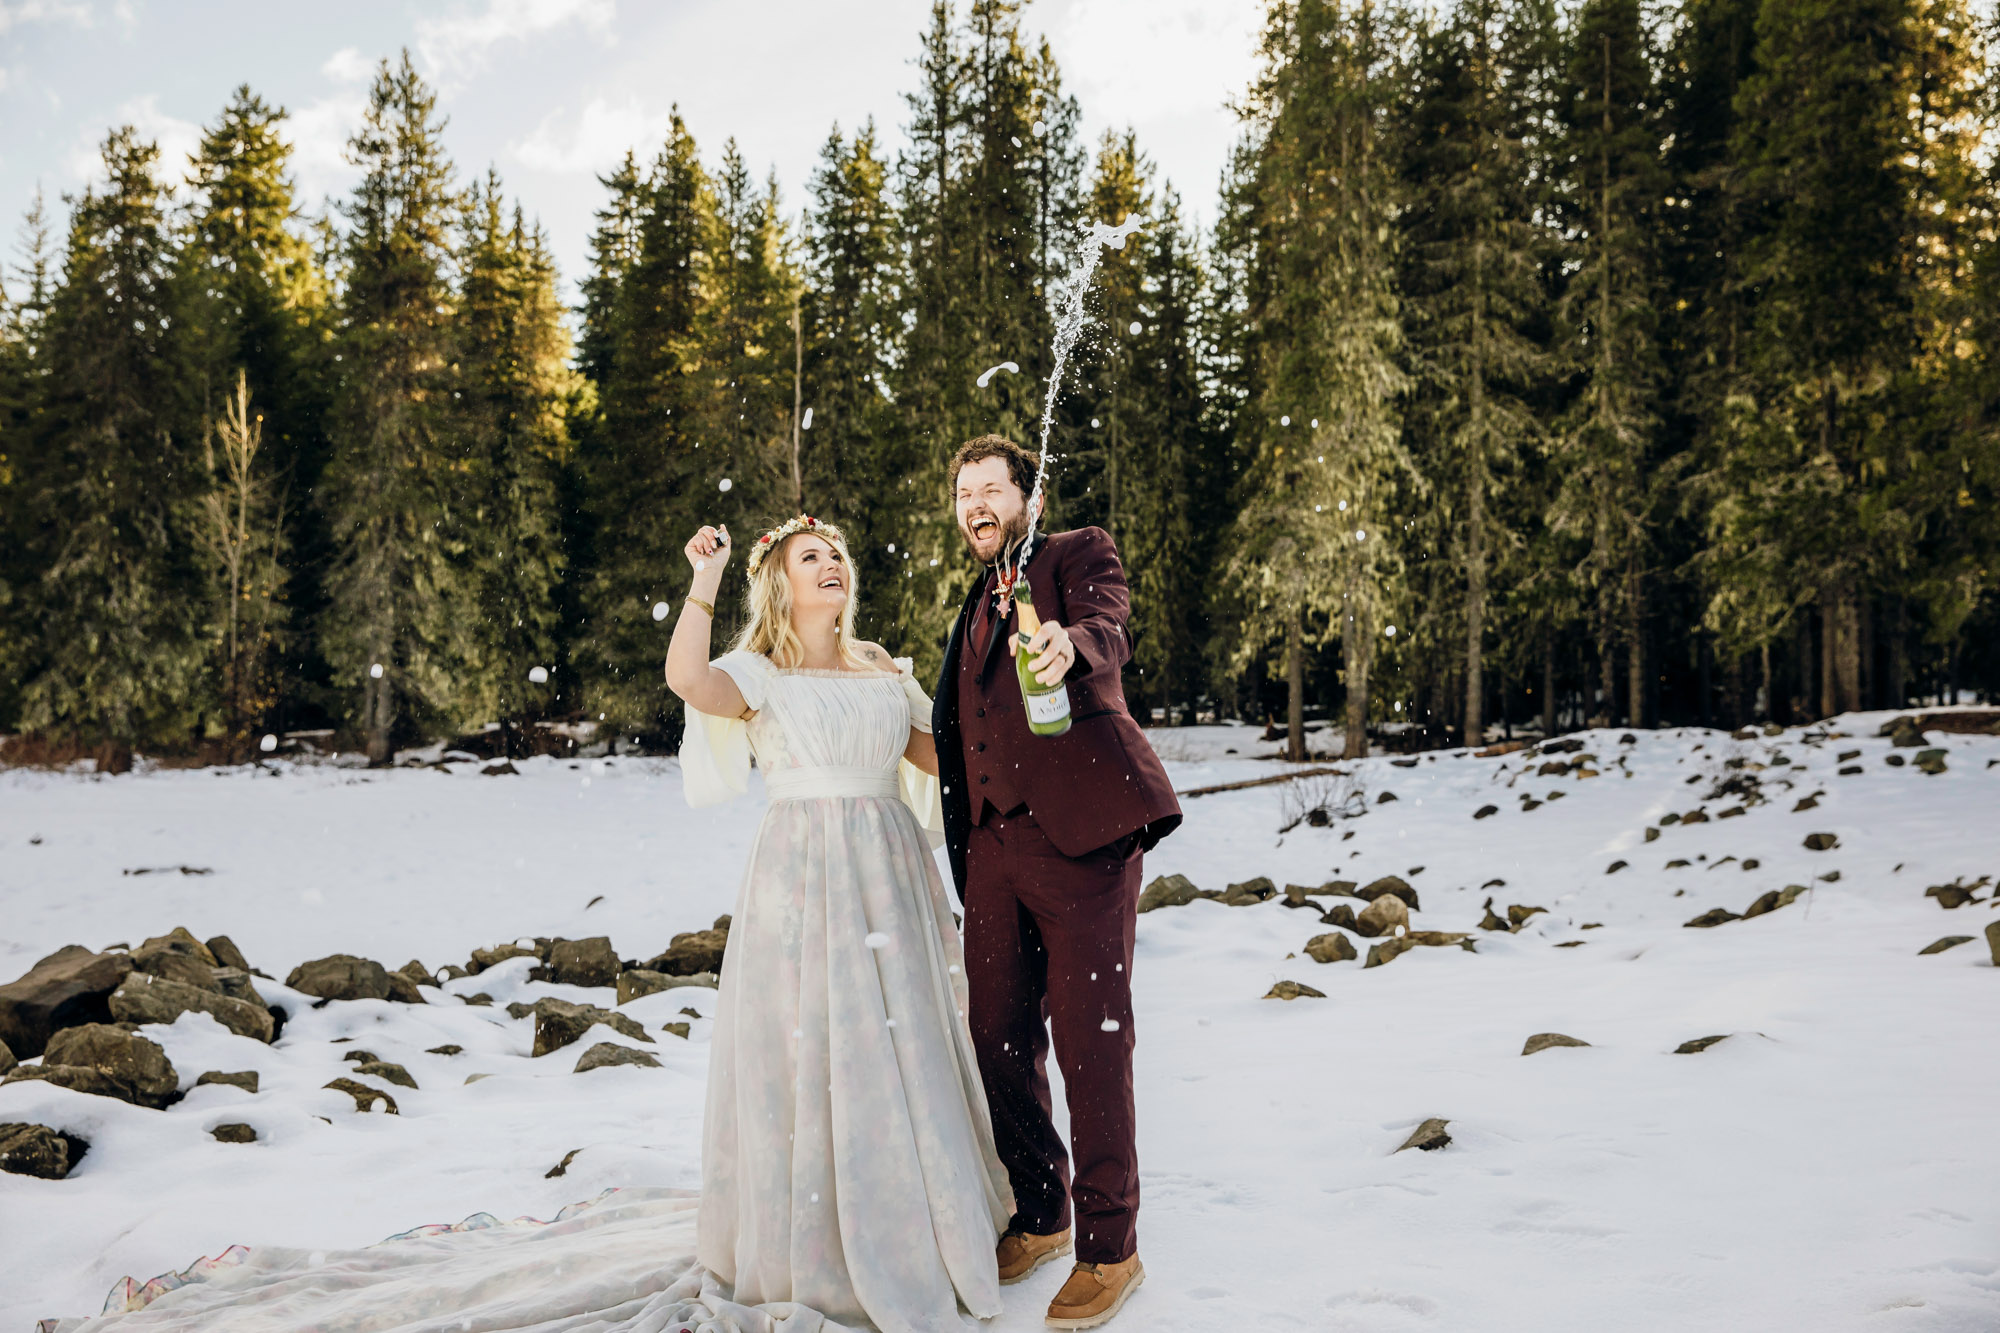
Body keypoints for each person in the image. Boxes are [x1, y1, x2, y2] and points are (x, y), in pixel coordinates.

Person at [667, 513, 1014, 1331]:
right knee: (812, 1043)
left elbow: (949, 757)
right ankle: (812, 1237)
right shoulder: (759, 671)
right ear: (781, 583)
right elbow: (687, 678)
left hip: (891, 873)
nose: (832, 567)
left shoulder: (883, 669)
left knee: (903, 1042)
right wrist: (703, 581)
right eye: (810, 558)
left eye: (837, 557)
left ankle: (912, 1218)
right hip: (800, 878)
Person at [932, 436, 1182, 1331]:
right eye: (964, 493)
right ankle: (1041, 1212)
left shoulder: (1076, 554)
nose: (975, 504)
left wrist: (1069, 650)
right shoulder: (970, 603)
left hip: (1083, 838)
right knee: (994, 1032)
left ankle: (1112, 1249)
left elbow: (1106, 627)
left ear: (1026, 498)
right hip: (991, 849)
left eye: (991, 488)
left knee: (1091, 1039)